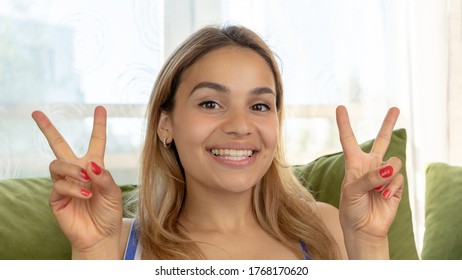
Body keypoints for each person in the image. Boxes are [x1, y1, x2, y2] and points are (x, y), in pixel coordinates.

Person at [31, 25, 403, 260]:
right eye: (211, 103)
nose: (240, 125)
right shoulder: (114, 243)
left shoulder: (329, 229)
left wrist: (368, 243)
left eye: (259, 105)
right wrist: (93, 251)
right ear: (165, 124)